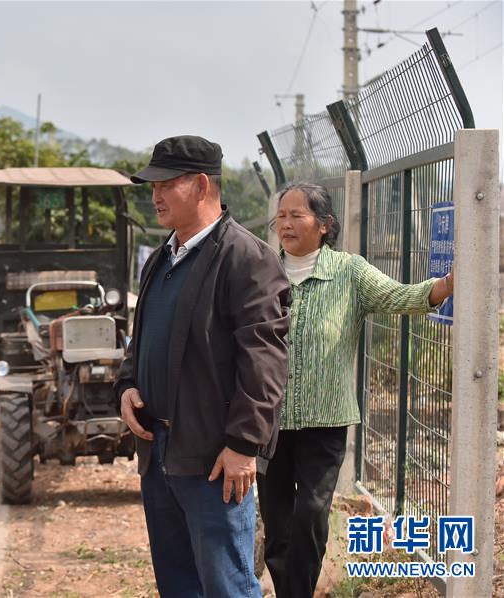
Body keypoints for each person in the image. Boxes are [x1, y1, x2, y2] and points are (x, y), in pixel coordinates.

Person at [258, 181, 454, 598]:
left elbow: (401, 296)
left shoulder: (350, 271)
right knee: (277, 522)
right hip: (267, 420)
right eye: (282, 215)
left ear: (325, 224)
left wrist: (447, 284)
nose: (285, 224)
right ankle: (288, 589)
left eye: (297, 215)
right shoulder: (261, 269)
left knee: (310, 514)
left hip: (324, 421)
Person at [115, 135, 291, 597]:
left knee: (226, 584)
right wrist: (128, 385)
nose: (154, 196)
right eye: (151, 185)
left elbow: (265, 361)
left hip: (215, 459)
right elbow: (142, 336)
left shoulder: (247, 260)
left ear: (199, 185)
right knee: (178, 583)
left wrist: (243, 445)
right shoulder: (160, 260)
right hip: (161, 453)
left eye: (164, 184)